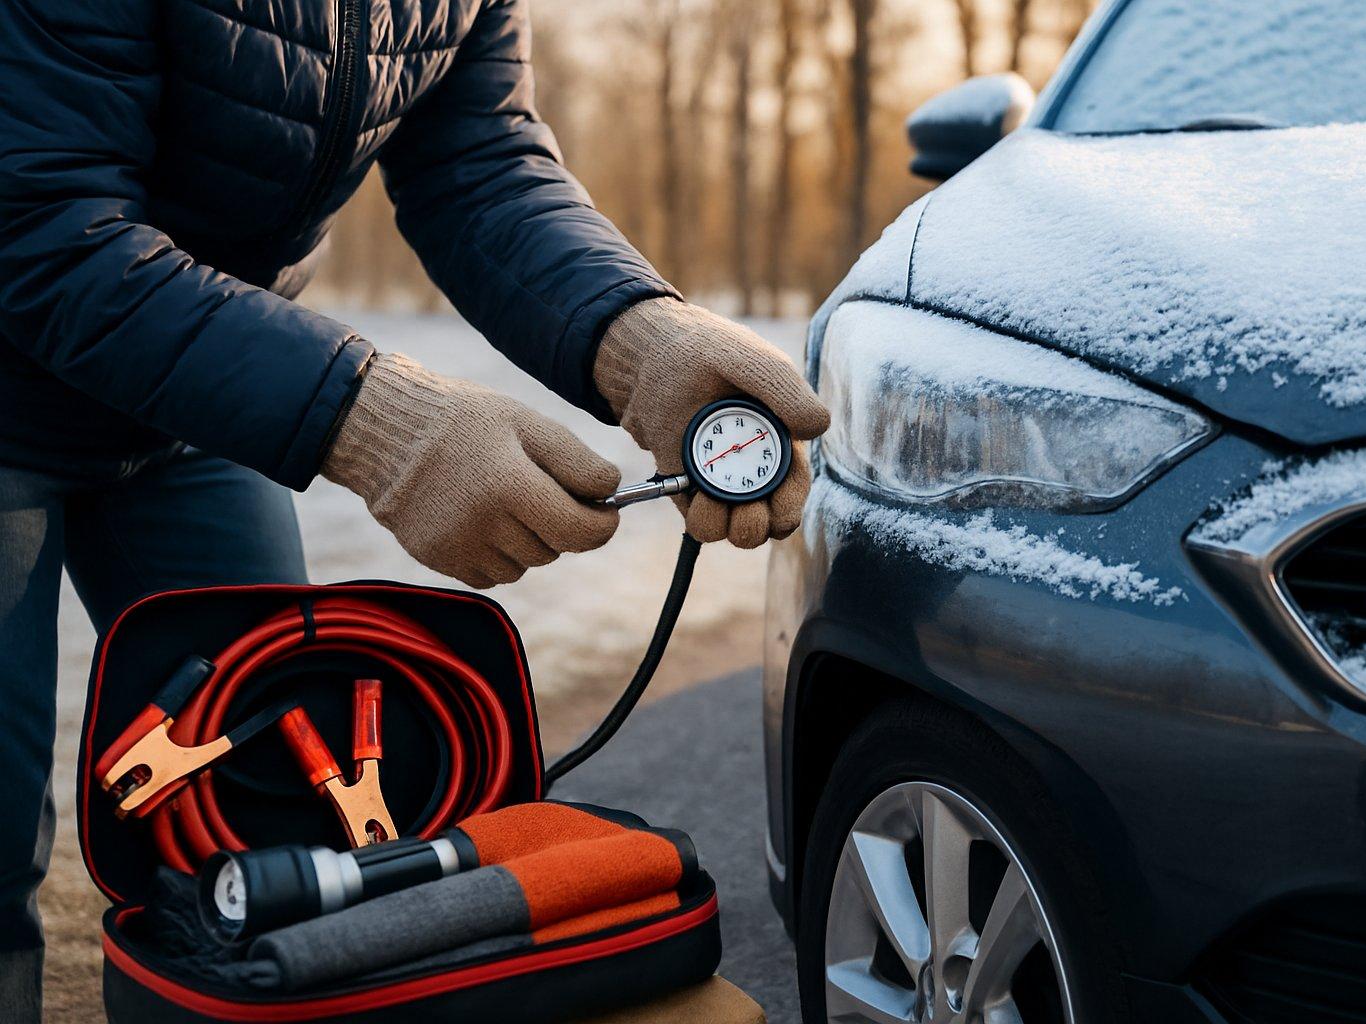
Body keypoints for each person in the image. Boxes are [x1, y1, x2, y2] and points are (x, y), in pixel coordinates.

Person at [0, 0, 830, 1016]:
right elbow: (40, 228)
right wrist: (377, 423)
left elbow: (478, 168)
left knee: (276, 816)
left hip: (196, 404)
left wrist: (638, 338)